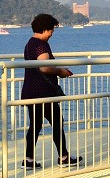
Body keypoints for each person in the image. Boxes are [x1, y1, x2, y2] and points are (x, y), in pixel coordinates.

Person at [21, 13, 81, 169]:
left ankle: (28, 159)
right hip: (44, 92)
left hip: (31, 90)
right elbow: (45, 67)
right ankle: (64, 157)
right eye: (51, 30)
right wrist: (60, 71)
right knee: (57, 122)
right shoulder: (41, 45)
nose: (52, 34)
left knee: (35, 125)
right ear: (45, 29)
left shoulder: (29, 44)